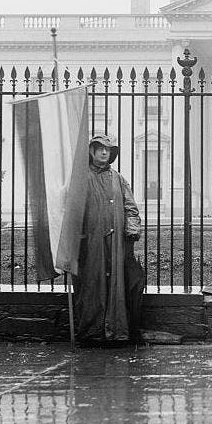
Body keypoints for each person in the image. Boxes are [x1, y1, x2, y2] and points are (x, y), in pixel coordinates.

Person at [70, 134, 144, 346]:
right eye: (100, 148)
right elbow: (72, 210)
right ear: (91, 151)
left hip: (117, 245)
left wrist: (131, 232)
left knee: (117, 285)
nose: (104, 152)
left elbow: (131, 208)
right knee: (90, 284)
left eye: (108, 149)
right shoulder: (81, 178)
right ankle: (91, 332)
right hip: (89, 242)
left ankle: (116, 332)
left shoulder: (118, 178)